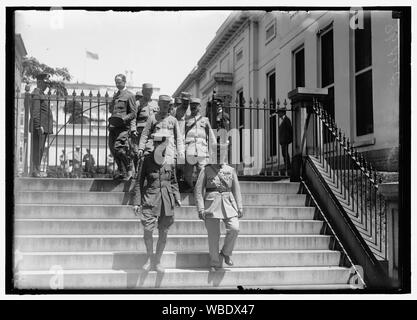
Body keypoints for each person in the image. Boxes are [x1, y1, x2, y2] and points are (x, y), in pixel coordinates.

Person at [132, 95, 184, 273]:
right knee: (148, 230)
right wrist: (136, 201)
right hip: (151, 198)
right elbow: (138, 182)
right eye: (158, 141)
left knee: (164, 231)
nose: (164, 107)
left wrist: (176, 196)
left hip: (166, 198)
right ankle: (149, 257)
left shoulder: (173, 122)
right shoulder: (147, 160)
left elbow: (174, 180)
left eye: (167, 105)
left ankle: (158, 260)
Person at [194, 143, 243, 271]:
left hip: (228, 203)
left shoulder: (230, 170)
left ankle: (225, 253)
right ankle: (214, 263)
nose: (220, 156)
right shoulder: (206, 170)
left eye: (222, 153)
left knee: (234, 228)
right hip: (211, 204)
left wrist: (240, 207)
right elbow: (198, 191)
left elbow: (236, 190)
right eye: (218, 153)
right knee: (213, 236)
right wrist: (200, 208)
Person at [137, 95, 184, 167]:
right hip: (154, 151)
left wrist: (180, 151)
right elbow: (145, 134)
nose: (165, 105)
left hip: (169, 152)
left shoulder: (173, 120)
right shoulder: (152, 118)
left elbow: (178, 138)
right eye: (163, 103)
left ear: (169, 105)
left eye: (167, 104)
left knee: (167, 175)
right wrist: (141, 148)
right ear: (159, 104)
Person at [183, 98, 217, 192]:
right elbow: (182, 135)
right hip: (189, 149)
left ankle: (200, 190)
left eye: (196, 104)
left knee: (202, 171)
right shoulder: (186, 120)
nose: (193, 106)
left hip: (202, 149)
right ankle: (191, 188)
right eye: (192, 104)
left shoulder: (205, 120)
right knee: (188, 173)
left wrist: (214, 150)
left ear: (200, 106)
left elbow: (211, 135)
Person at [108, 74, 137, 180]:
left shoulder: (129, 95)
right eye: (116, 82)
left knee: (119, 148)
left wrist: (123, 119)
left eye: (119, 82)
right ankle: (121, 171)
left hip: (123, 127)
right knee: (112, 149)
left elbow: (133, 113)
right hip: (113, 127)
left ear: (124, 82)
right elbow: (111, 111)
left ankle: (129, 168)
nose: (117, 84)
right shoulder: (115, 96)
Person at [29, 73, 53, 177]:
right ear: (39, 82)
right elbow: (35, 112)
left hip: (44, 128)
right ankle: (35, 171)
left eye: (47, 83)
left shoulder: (41, 93)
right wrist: (38, 126)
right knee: (37, 149)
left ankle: (37, 170)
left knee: (40, 149)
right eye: (45, 83)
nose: (47, 85)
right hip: (40, 128)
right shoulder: (37, 93)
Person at [131, 83, 159, 174]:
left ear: (152, 92)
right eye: (146, 91)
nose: (148, 93)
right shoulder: (138, 103)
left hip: (152, 132)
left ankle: (149, 172)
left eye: (150, 91)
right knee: (138, 153)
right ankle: (137, 174)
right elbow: (133, 117)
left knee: (151, 152)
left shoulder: (155, 103)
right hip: (140, 131)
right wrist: (133, 129)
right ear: (143, 91)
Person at [277, 106, 293, 175]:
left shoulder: (286, 120)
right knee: (284, 153)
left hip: (285, 140)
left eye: (279, 113)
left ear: (282, 113)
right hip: (283, 141)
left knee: (285, 153)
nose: (278, 115)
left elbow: (290, 129)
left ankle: (287, 166)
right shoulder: (284, 120)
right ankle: (286, 165)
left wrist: (289, 138)